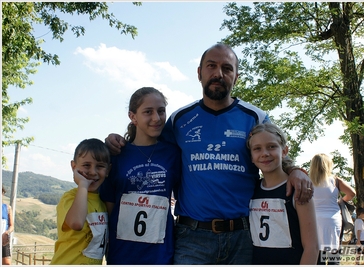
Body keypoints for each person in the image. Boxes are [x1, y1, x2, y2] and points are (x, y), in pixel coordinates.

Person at [105, 43, 313, 264]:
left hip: (243, 237)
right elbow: (148, 145)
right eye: (211, 66)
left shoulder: (255, 116)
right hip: (191, 237)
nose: (218, 74)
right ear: (199, 73)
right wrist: (116, 142)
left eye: (227, 68)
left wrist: (296, 170)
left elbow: (275, 150)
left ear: (237, 76)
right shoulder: (179, 119)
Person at [99, 87, 181, 264]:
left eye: (161, 111)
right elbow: (109, 207)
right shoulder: (116, 155)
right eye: (148, 112)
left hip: (161, 253)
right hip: (122, 253)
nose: (156, 118)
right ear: (133, 116)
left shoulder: (173, 154)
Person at [247, 122, 318, 264]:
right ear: (251, 157)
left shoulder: (298, 189)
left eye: (272, 147)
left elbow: (312, 247)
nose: (265, 153)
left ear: (284, 151)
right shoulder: (251, 189)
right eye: (257, 149)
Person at [50, 138, 111, 265]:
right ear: (74, 167)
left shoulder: (102, 203)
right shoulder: (70, 197)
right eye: (86, 165)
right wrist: (83, 185)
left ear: (108, 171)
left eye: (100, 166)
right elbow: (76, 223)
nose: (93, 172)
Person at [309, 153, 356, 265]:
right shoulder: (335, 181)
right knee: (333, 256)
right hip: (332, 220)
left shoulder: (307, 181)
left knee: (317, 255)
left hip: (314, 220)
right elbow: (352, 193)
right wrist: (341, 201)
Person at [2, 185, 14, 265]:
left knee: (7, 263)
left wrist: (7, 232)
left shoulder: (7, 208)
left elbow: (11, 226)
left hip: (3, 241)